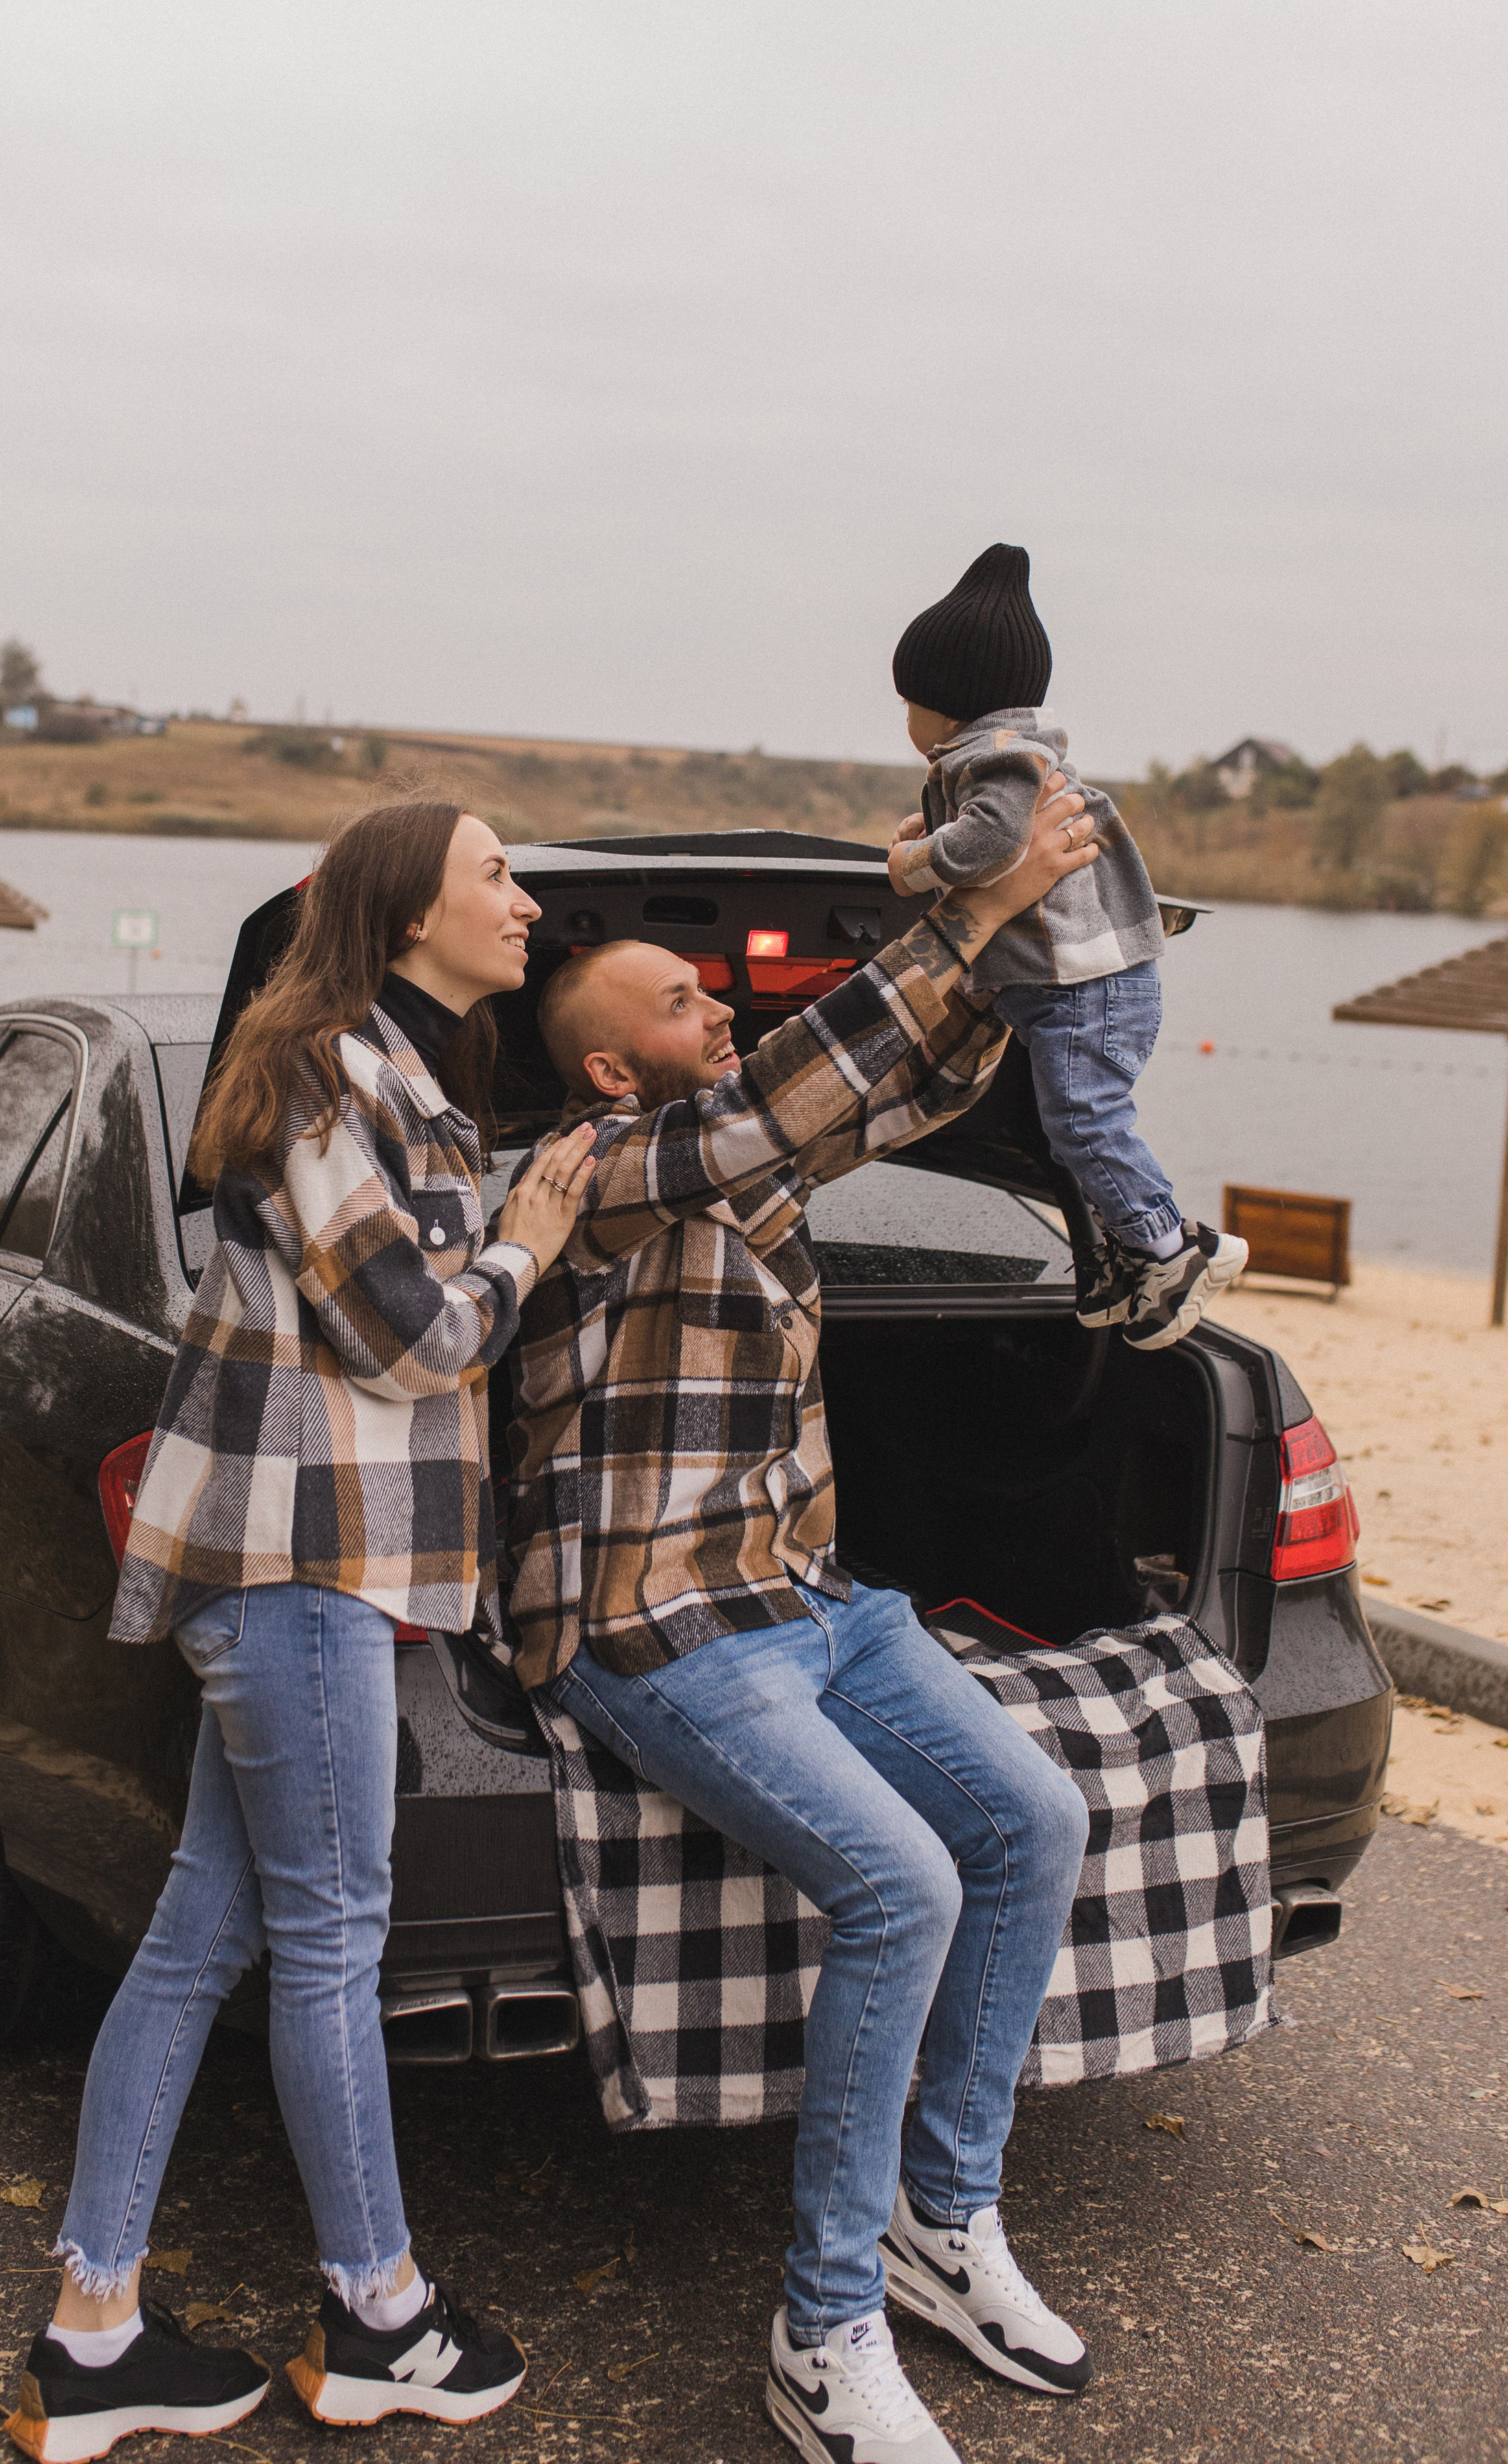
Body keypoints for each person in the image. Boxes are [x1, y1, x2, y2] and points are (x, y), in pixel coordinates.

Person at [501, 775, 1102, 2464]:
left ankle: (939, 2220)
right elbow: (782, 1095)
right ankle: (822, 2325)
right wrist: (960, 917)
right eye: (680, 998)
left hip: (812, 1595)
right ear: (610, 1061)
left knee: (1031, 1820)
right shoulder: (598, 1160)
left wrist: (1001, 933)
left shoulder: (745, 1161)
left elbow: (903, 1079)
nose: (720, 1003)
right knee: (899, 1879)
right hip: (656, 1618)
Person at [5, 802, 596, 2462]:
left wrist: (509, 1217)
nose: (527, 902)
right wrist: (528, 1247)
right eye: (498, 873)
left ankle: (95, 2329)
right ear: (406, 911)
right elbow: (406, 1336)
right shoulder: (335, 1074)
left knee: (206, 1935)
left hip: (309, 1564)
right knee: (334, 1931)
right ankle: (379, 2310)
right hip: (300, 1567)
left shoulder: (391, 1075)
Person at [887, 541, 1247, 1350]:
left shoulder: (1000, 758)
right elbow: (986, 833)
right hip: (1080, 989)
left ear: (945, 703)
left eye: (906, 702)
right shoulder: (1004, 759)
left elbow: (986, 847)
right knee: (1066, 1127)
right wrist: (939, 826)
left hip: (1090, 990)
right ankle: (1124, 1265)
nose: (904, 720)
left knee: (1085, 1122)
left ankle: (1174, 1249)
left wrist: (912, 863)